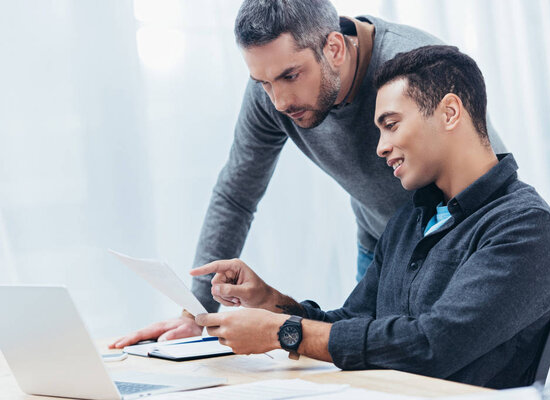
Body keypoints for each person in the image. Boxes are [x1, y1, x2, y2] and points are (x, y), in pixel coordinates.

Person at [110, 0, 504, 349]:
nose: (278, 101)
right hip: (383, 244)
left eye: (289, 76)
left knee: (439, 358)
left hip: (459, 241)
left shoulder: (413, 67)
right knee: (372, 363)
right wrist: (193, 313)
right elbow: (236, 194)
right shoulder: (272, 95)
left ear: (333, 47)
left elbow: (486, 169)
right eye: (263, 83)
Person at [188, 46, 550, 389]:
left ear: (450, 112)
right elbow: (353, 322)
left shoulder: (526, 229)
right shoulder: (411, 220)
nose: (381, 147)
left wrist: (285, 333)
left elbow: (431, 345)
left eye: (390, 125)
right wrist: (272, 302)